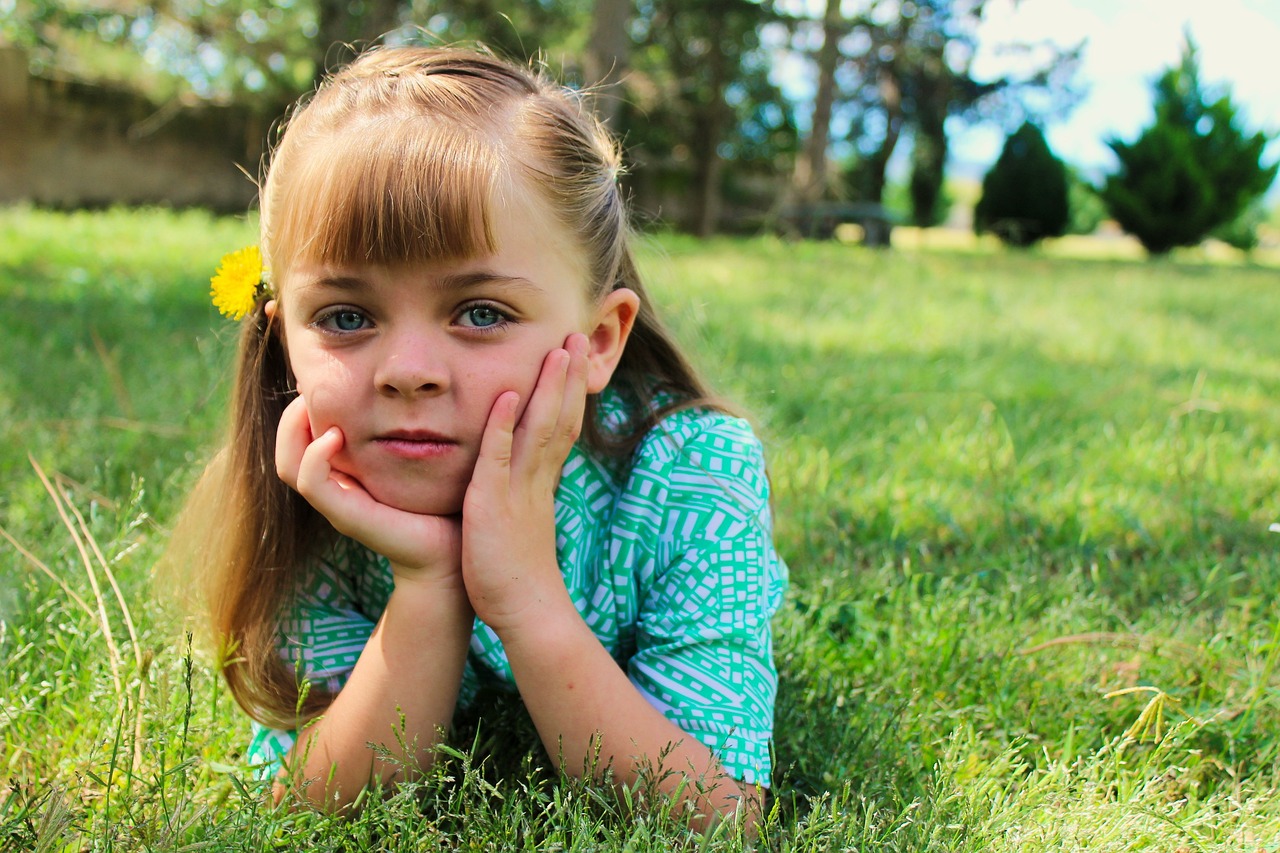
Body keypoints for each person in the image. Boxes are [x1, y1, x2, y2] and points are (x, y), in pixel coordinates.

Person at [172, 45, 787, 826]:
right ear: (285, 335)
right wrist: (428, 580)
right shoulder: (314, 491)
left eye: (481, 312)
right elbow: (308, 814)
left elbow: (719, 815)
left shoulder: (693, 475)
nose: (408, 371)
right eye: (346, 317)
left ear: (600, 340)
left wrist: (526, 597)